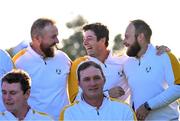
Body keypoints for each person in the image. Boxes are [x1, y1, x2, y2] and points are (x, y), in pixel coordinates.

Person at [68, 22, 169, 104]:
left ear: (103, 40)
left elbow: (144, 55)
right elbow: (74, 101)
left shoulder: (125, 62)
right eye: (84, 39)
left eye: (89, 39)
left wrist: (158, 50)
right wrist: (107, 95)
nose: (85, 43)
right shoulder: (78, 64)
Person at [12, 18, 71, 120]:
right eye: (53, 37)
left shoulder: (63, 58)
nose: (57, 41)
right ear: (37, 38)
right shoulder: (18, 62)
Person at [123, 19, 180, 120]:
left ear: (140, 37)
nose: (124, 41)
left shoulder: (165, 56)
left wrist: (148, 106)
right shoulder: (126, 63)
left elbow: (178, 88)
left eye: (127, 37)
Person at [60, 61, 136, 120]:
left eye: (96, 78)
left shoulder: (124, 110)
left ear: (104, 80)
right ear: (79, 84)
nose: (92, 83)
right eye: (86, 79)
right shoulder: (69, 113)